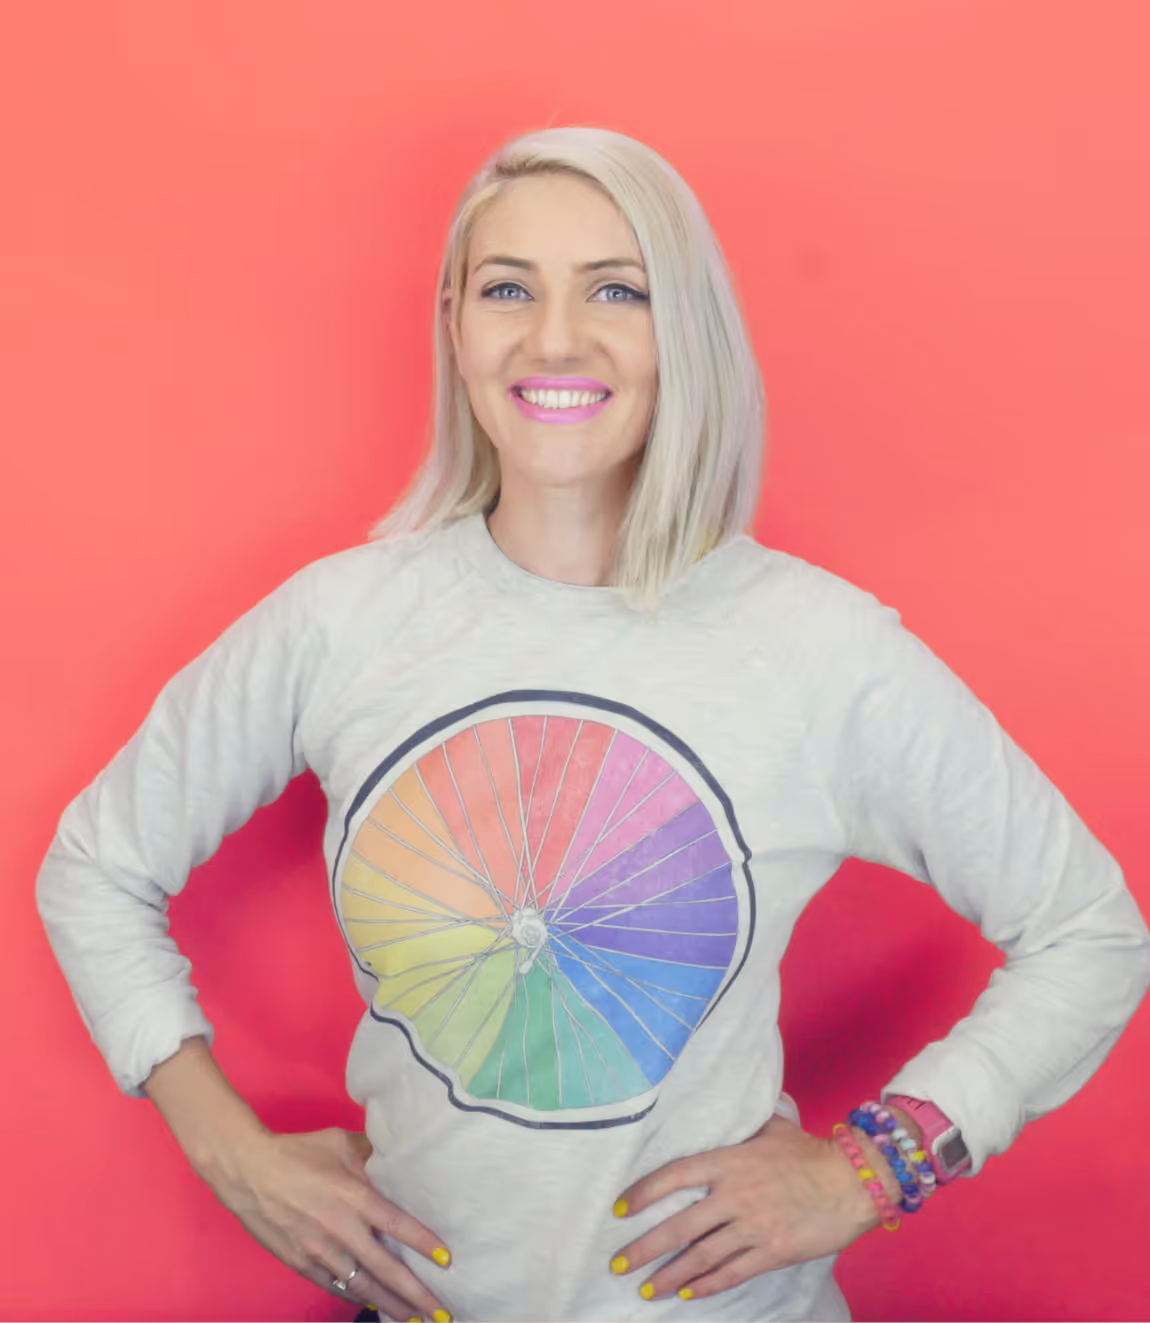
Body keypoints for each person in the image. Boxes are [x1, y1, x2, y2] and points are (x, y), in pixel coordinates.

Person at [36, 125, 1150, 1323]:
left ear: (685, 335)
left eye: (616, 290)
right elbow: (94, 866)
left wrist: (868, 1171)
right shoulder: (343, 623)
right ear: (454, 323)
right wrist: (234, 1158)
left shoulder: (819, 649)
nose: (555, 338)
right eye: (507, 288)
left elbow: (1090, 932)